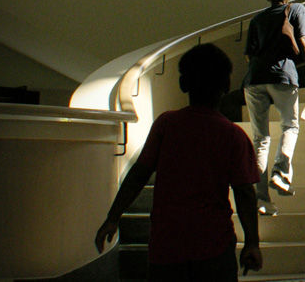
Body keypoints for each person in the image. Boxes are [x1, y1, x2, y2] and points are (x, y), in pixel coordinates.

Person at [94, 43, 263, 279]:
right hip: (214, 247)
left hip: (167, 246)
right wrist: (252, 243)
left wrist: (113, 218)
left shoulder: (166, 125)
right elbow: (245, 193)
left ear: (183, 84)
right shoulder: (234, 136)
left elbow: (139, 174)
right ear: (226, 85)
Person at [244, 0, 305, 216]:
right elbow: (302, 41)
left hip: (254, 80)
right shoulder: (297, 9)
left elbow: (248, 56)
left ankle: (262, 199)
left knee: (260, 139)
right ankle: (280, 172)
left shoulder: (257, 19)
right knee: (290, 126)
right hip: (283, 76)